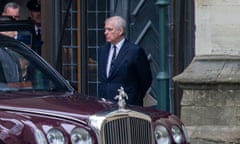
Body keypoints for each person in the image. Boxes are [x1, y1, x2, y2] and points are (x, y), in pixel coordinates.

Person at [98, 16, 152, 106]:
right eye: (105, 29)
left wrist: (135, 96)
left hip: (128, 104)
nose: (105, 32)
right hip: (105, 103)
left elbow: (146, 79)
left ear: (120, 31)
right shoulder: (102, 50)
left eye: (110, 29)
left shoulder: (134, 51)